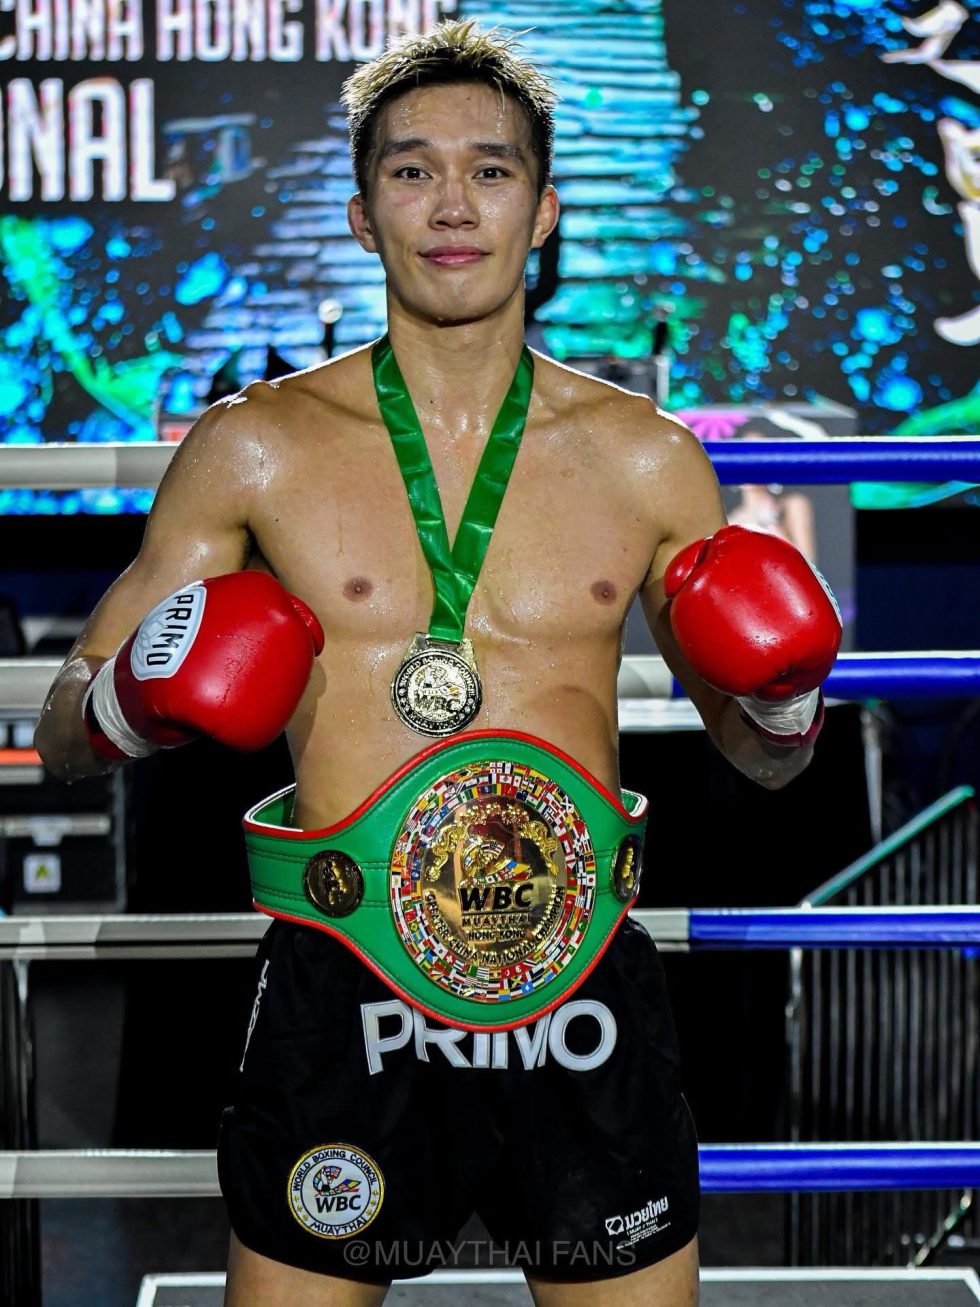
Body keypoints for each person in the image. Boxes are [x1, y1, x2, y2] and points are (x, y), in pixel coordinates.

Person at [34, 20, 841, 1306]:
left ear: (543, 210)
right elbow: (62, 731)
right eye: (411, 171)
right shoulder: (254, 448)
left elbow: (763, 762)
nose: (452, 205)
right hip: (343, 982)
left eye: (490, 169)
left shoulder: (648, 459)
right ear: (362, 214)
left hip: (579, 992)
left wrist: (784, 697)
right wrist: (133, 699)